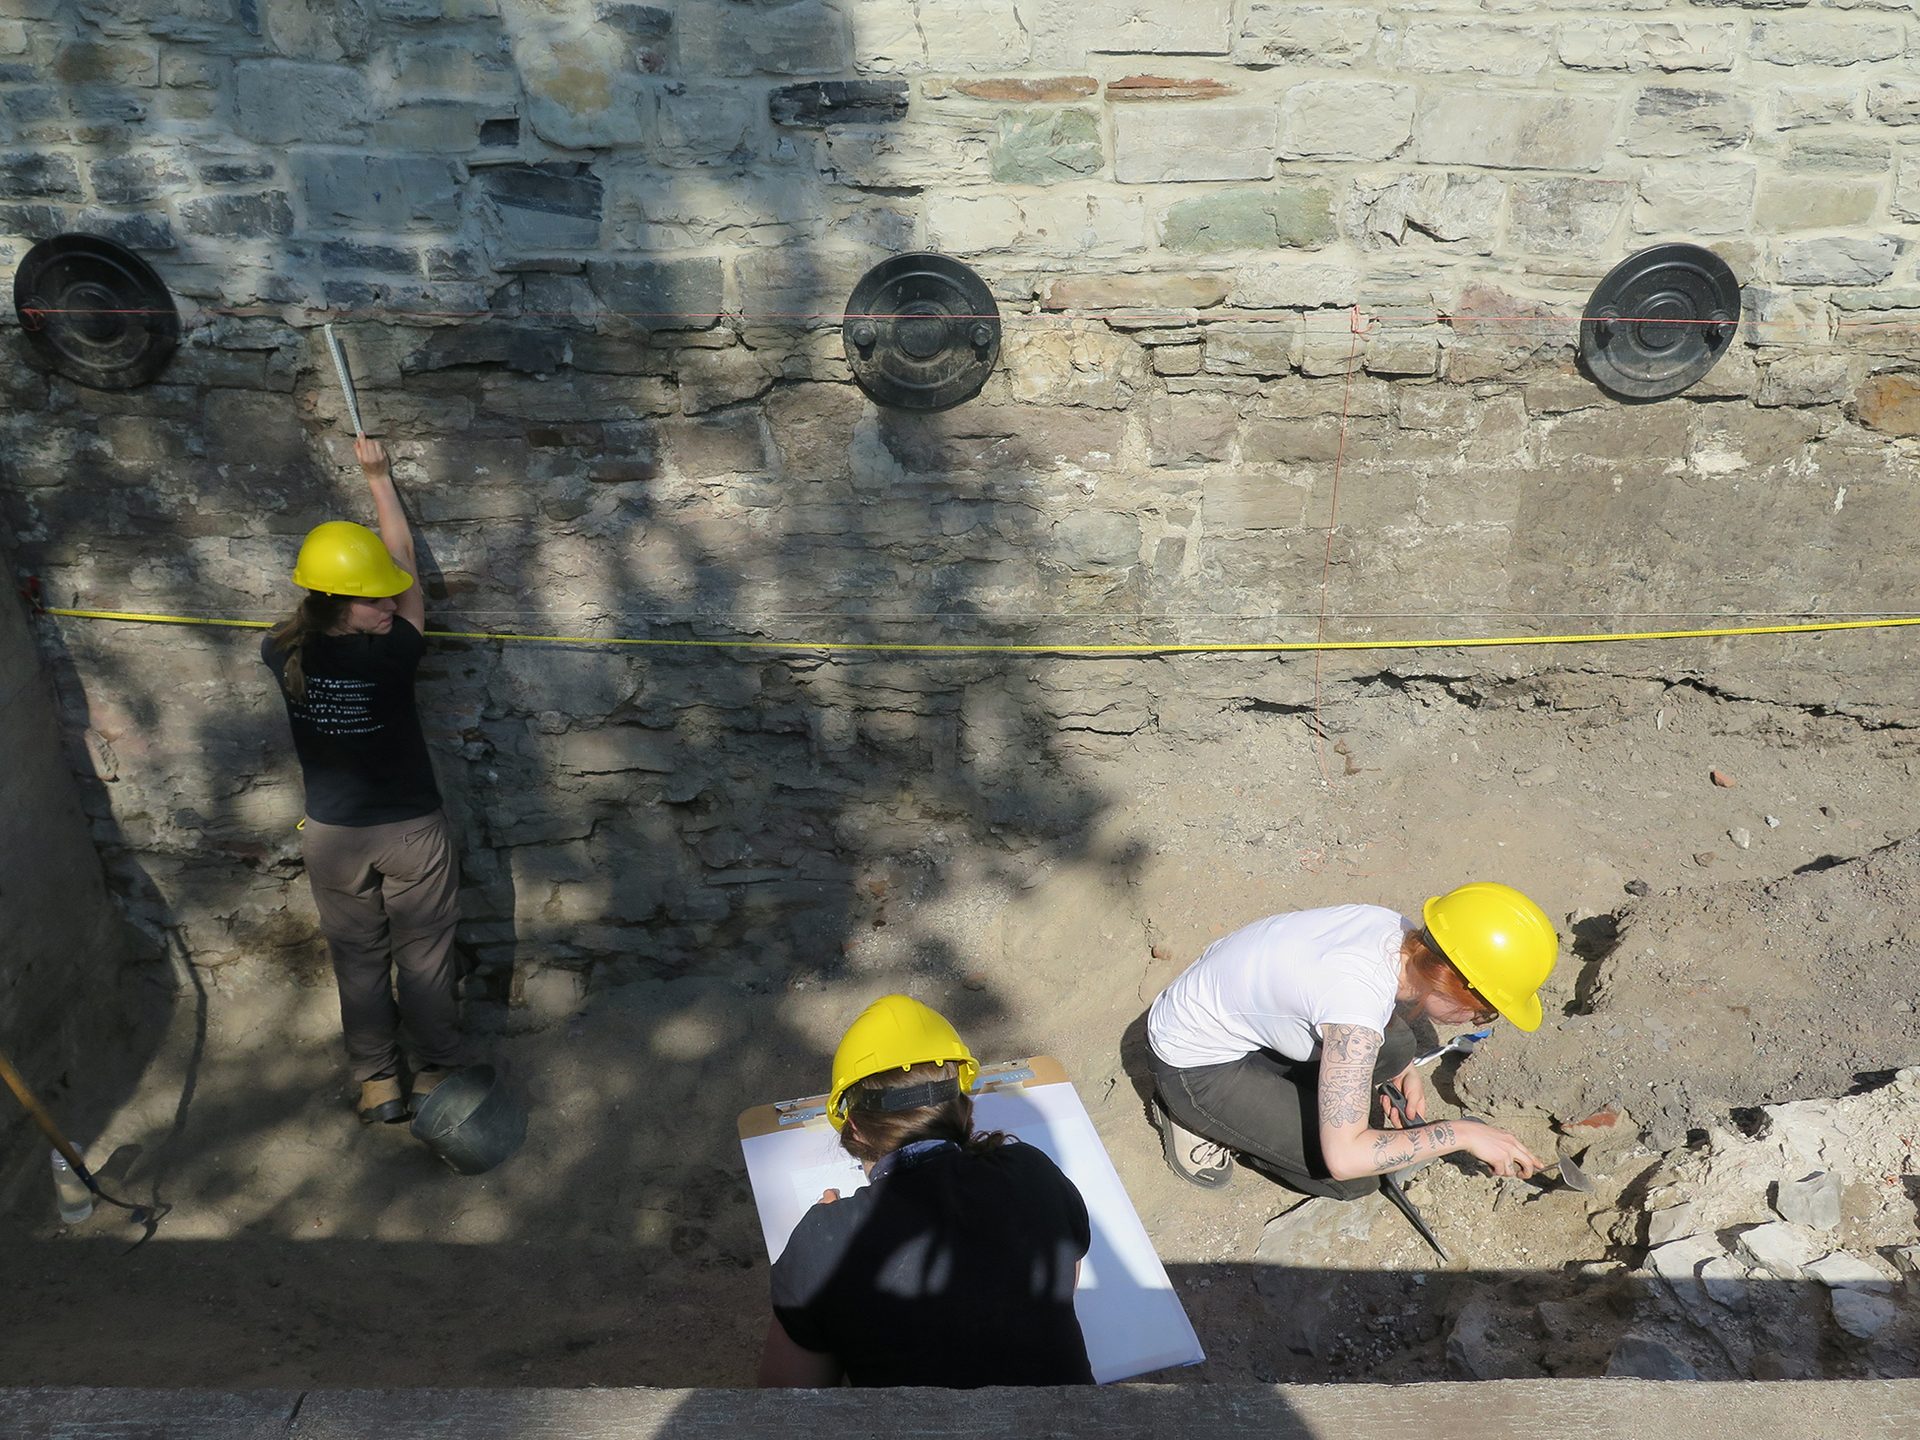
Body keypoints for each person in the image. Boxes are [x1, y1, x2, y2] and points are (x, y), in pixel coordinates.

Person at [262, 436, 462, 1126]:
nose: (391, 603)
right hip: (410, 832)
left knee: (359, 960)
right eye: (375, 599)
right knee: (426, 957)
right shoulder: (393, 655)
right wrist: (379, 478)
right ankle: (435, 1071)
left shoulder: (281, 649)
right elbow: (405, 567)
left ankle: (379, 1082)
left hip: (333, 837)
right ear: (347, 602)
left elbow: (359, 591)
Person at [758, 994, 1095, 1388]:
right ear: (966, 1112)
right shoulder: (1033, 1173)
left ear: (854, 1129)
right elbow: (1061, 1287)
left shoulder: (823, 1242)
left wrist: (821, 1243)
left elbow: (786, 1400)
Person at [1146, 882, 1557, 1196]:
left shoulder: (1393, 932)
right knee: (1354, 1181)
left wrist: (1401, 1068)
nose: (1481, 1018)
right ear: (1450, 982)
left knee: (1397, 1048)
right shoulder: (1353, 1010)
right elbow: (1345, 1159)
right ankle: (1196, 1119)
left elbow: (1352, 1008)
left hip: (1234, 1015)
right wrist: (1464, 1133)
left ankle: (1275, 1101)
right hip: (1194, 1066)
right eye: (1486, 1009)